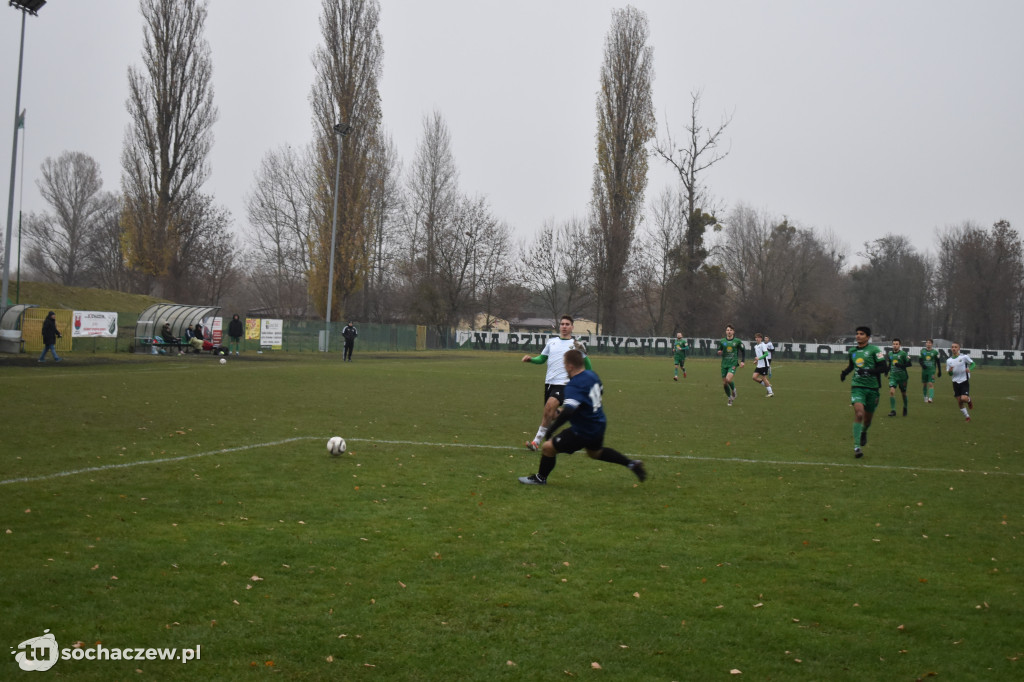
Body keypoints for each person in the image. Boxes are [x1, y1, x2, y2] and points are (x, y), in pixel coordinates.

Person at [518, 349, 645, 485]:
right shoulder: (592, 375)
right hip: (599, 424)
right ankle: (631, 464)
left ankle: (540, 478)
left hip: (583, 430)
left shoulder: (574, 384)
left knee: (548, 447)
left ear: (570, 366)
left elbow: (569, 412)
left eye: (565, 364)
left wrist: (551, 429)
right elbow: (597, 393)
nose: (564, 367)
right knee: (595, 453)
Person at [522, 315, 591, 451]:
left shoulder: (576, 345)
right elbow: (542, 358)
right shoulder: (551, 342)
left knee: (549, 406)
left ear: (572, 327)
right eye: (562, 324)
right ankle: (570, 413)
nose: (564, 326)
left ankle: (536, 442)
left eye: (567, 324)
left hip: (565, 383)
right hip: (549, 383)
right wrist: (531, 359)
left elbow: (587, 364)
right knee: (551, 414)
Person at [840, 326, 889, 458]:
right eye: (857, 334)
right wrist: (844, 373)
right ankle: (857, 447)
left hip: (873, 389)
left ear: (867, 337)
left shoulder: (875, 350)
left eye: (861, 334)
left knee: (867, 421)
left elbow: (884, 367)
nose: (858, 336)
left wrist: (867, 371)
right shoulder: (853, 351)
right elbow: (852, 366)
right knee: (859, 414)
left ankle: (864, 432)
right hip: (857, 387)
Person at [945, 342, 976, 422]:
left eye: (955, 347)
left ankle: (969, 400)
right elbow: (949, 373)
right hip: (955, 382)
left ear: (959, 348)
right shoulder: (949, 361)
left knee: (964, 398)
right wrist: (950, 371)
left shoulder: (964, 357)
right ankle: (967, 416)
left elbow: (973, 364)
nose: (954, 348)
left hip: (964, 381)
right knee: (959, 401)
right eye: (952, 347)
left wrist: (970, 369)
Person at [716, 324, 746, 406]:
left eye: (730, 330)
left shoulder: (737, 341)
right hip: (724, 364)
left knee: (728, 379)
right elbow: (719, 349)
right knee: (725, 383)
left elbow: (743, 351)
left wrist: (743, 361)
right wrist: (719, 352)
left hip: (733, 363)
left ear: (733, 331)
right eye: (727, 330)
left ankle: (734, 390)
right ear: (726, 332)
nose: (729, 331)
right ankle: (729, 398)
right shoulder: (722, 341)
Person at [887, 338, 911, 417]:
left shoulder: (903, 354)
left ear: (900, 345)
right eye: (894, 344)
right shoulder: (890, 354)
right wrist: (887, 371)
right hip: (893, 376)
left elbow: (909, 364)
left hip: (902, 377)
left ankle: (905, 407)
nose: (895, 345)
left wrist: (900, 365)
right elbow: (890, 363)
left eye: (897, 344)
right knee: (891, 392)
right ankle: (893, 410)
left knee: (903, 394)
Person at [918, 338, 941, 403]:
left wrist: (939, 371)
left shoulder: (935, 352)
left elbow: (938, 362)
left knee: (930, 383)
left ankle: (930, 398)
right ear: (926, 344)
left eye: (929, 343)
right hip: (924, 371)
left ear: (932, 344)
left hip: (931, 370)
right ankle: (925, 396)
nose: (928, 344)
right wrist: (923, 365)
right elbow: (920, 360)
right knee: (924, 384)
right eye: (927, 342)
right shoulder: (922, 351)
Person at [752, 332, 774, 397]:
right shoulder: (755, 346)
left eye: (758, 337)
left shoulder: (763, 345)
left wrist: (759, 358)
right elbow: (759, 355)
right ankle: (768, 385)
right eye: (756, 337)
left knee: (764, 378)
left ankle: (770, 392)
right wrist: (756, 360)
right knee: (754, 377)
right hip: (759, 365)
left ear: (761, 338)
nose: (757, 339)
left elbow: (766, 354)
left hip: (764, 365)